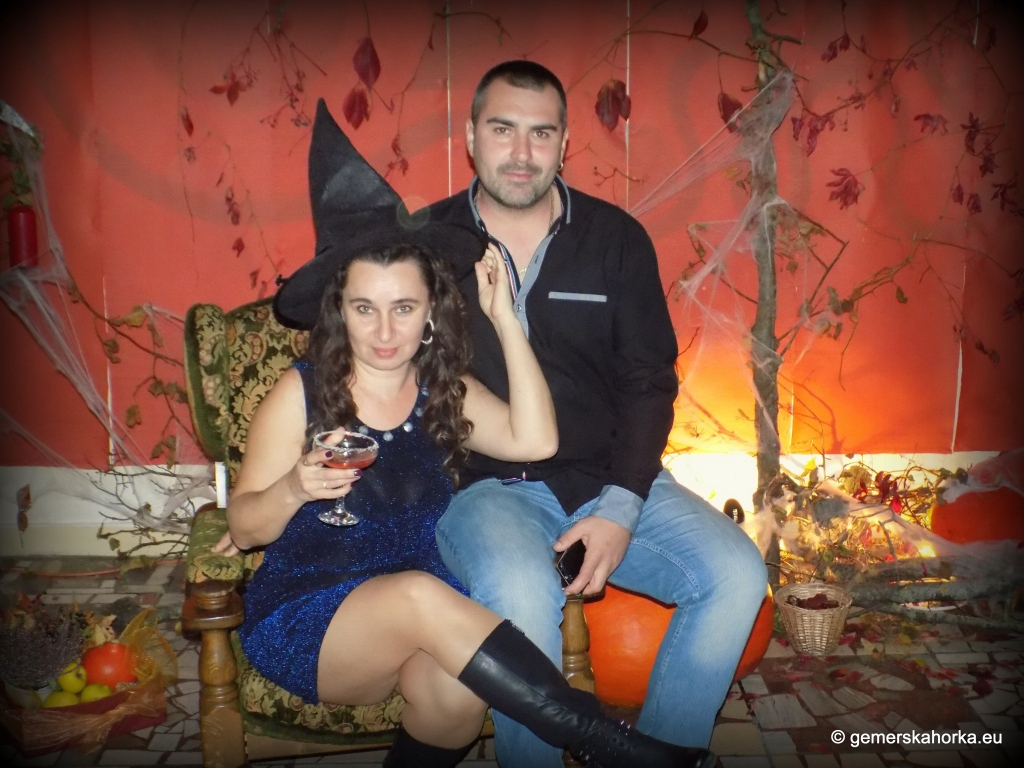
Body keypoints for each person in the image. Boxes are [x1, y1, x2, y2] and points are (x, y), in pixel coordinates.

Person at [217, 99, 715, 768]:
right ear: (339, 311)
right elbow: (245, 527)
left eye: (404, 307)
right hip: (316, 615)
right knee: (422, 597)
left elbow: (535, 441)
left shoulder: (441, 388)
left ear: (429, 312)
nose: (385, 331)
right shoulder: (299, 394)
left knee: (455, 696)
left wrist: (505, 320)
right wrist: (292, 489)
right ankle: (606, 743)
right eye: (364, 308)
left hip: (426, 613)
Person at [425, 60, 770, 768]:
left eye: (541, 133)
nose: (522, 153)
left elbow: (648, 382)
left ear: (564, 143)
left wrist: (620, 507)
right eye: (503, 130)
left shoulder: (615, 239)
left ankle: (660, 757)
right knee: (521, 590)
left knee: (737, 573)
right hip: (483, 488)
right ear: (471, 136)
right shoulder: (427, 243)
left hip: (603, 476)